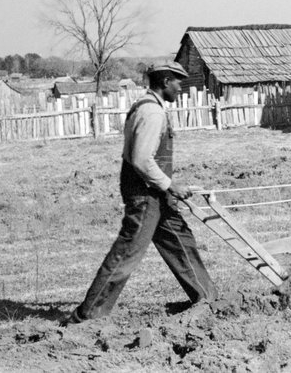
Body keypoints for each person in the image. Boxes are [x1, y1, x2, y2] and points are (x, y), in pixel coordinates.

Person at [64, 62, 216, 324]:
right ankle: (87, 316)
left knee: (180, 242)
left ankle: (209, 300)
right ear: (166, 81)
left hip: (155, 193)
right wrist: (170, 185)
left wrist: (167, 186)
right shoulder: (151, 113)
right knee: (127, 253)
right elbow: (141, 159)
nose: (181, 87)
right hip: (146, 196)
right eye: (178, 82)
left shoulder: (148, 107)